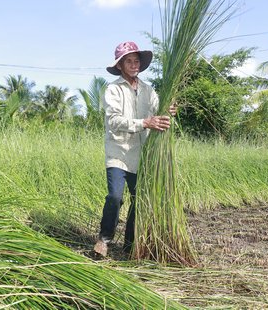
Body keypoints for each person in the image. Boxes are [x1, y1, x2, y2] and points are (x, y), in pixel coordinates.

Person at [93, 41, 176, 257]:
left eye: (136, 61)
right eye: (128, 61)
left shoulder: (149, 91)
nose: (133, 64)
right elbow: (114, 121)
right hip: (118, 153)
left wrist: (170, 110)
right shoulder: (113, 89)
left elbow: (160, 112)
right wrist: (144, 123)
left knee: (139, 199)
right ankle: (104, 239)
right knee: (115, 196)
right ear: (120, 65)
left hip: (141, 156)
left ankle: (130, 246)